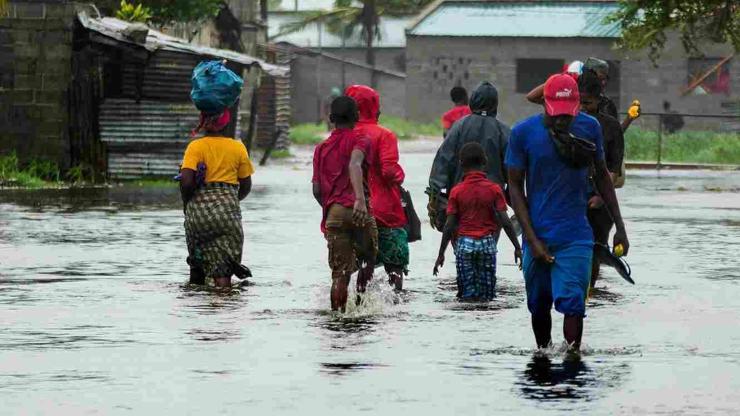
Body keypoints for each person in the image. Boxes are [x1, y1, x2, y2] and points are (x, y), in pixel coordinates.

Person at [506, 74, 630, 352]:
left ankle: (572, 360)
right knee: (538, 305)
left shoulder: (590, 128)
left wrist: (620, 225)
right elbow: (514, 186)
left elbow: (602, 176)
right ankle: (543, 356)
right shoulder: (523, 133)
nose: (563, 120)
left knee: (574, 303)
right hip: (537, 233)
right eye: (557, 114)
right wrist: (532, 239)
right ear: (545, 104)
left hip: (575, 235)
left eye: (568, 114)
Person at [312, 96, 377, 312]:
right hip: (359, 210)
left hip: (334, 213)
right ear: (357, 117)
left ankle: (338, 318)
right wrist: (359, 199)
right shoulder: (361, 140)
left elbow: (317, 190)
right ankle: (361, 306)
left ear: (331, 118)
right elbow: (355, 163)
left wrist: (331, 208)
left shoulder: (321, 148)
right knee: (368, 257)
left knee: (339, 273)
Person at [433, 142, 522, 300]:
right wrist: (517, 247)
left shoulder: (457, 191)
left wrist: (441, 254)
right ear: (485, 162)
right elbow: (505, 221)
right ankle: (485, 321)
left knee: (465, 293)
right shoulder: (494, 189)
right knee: (488, 293)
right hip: (487, 244)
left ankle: (469, 320)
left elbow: (449, 225)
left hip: (464, 244)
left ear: (461, 164)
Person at [180, 109, 255, 288]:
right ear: (226, 124)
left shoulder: (195, 147)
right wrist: (229, 201)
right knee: (223, 272)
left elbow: (187, 183)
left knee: (197, 270)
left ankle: (196, 313)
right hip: (226, 215)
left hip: (197, 217)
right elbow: (246, 186)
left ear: (203, 122)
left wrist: (188, 207)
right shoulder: (237, 148)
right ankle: (224, 310)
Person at [345, 85, 409, 290]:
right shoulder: (384, 135)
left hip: (352, 210)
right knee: (395, 266)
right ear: (374, 108)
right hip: (386, 212)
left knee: (356, 269)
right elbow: (390, 172)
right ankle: (395, 308)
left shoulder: (342, 135)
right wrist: (401, 175)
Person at [428, 81, 510, 231]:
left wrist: (435, 196)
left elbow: (443, 161)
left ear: (473, 101)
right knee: (489, 246)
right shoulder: (503, 131)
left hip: (460, 199)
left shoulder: (458, 127)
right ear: (495, 104)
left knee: (461, 247)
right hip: (491, 203)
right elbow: (513, 170)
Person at [578, 70, 625, 287]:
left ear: (599, 99)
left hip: (600, 201)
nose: (582, 107)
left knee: (595, 250)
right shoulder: (568, 122)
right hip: (572, 199)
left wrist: (600, 196)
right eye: (578, 101)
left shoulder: (611, 126)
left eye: (587, 102)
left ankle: (589, 294)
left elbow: (613, 169)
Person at [526, 57, 641, 132]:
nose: (582, 108)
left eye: (605, 78)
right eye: (600, 78)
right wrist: (560, 79)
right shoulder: (566, 98)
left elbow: (615, 134)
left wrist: (629, 119)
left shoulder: (606, 104)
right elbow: (532, 96)